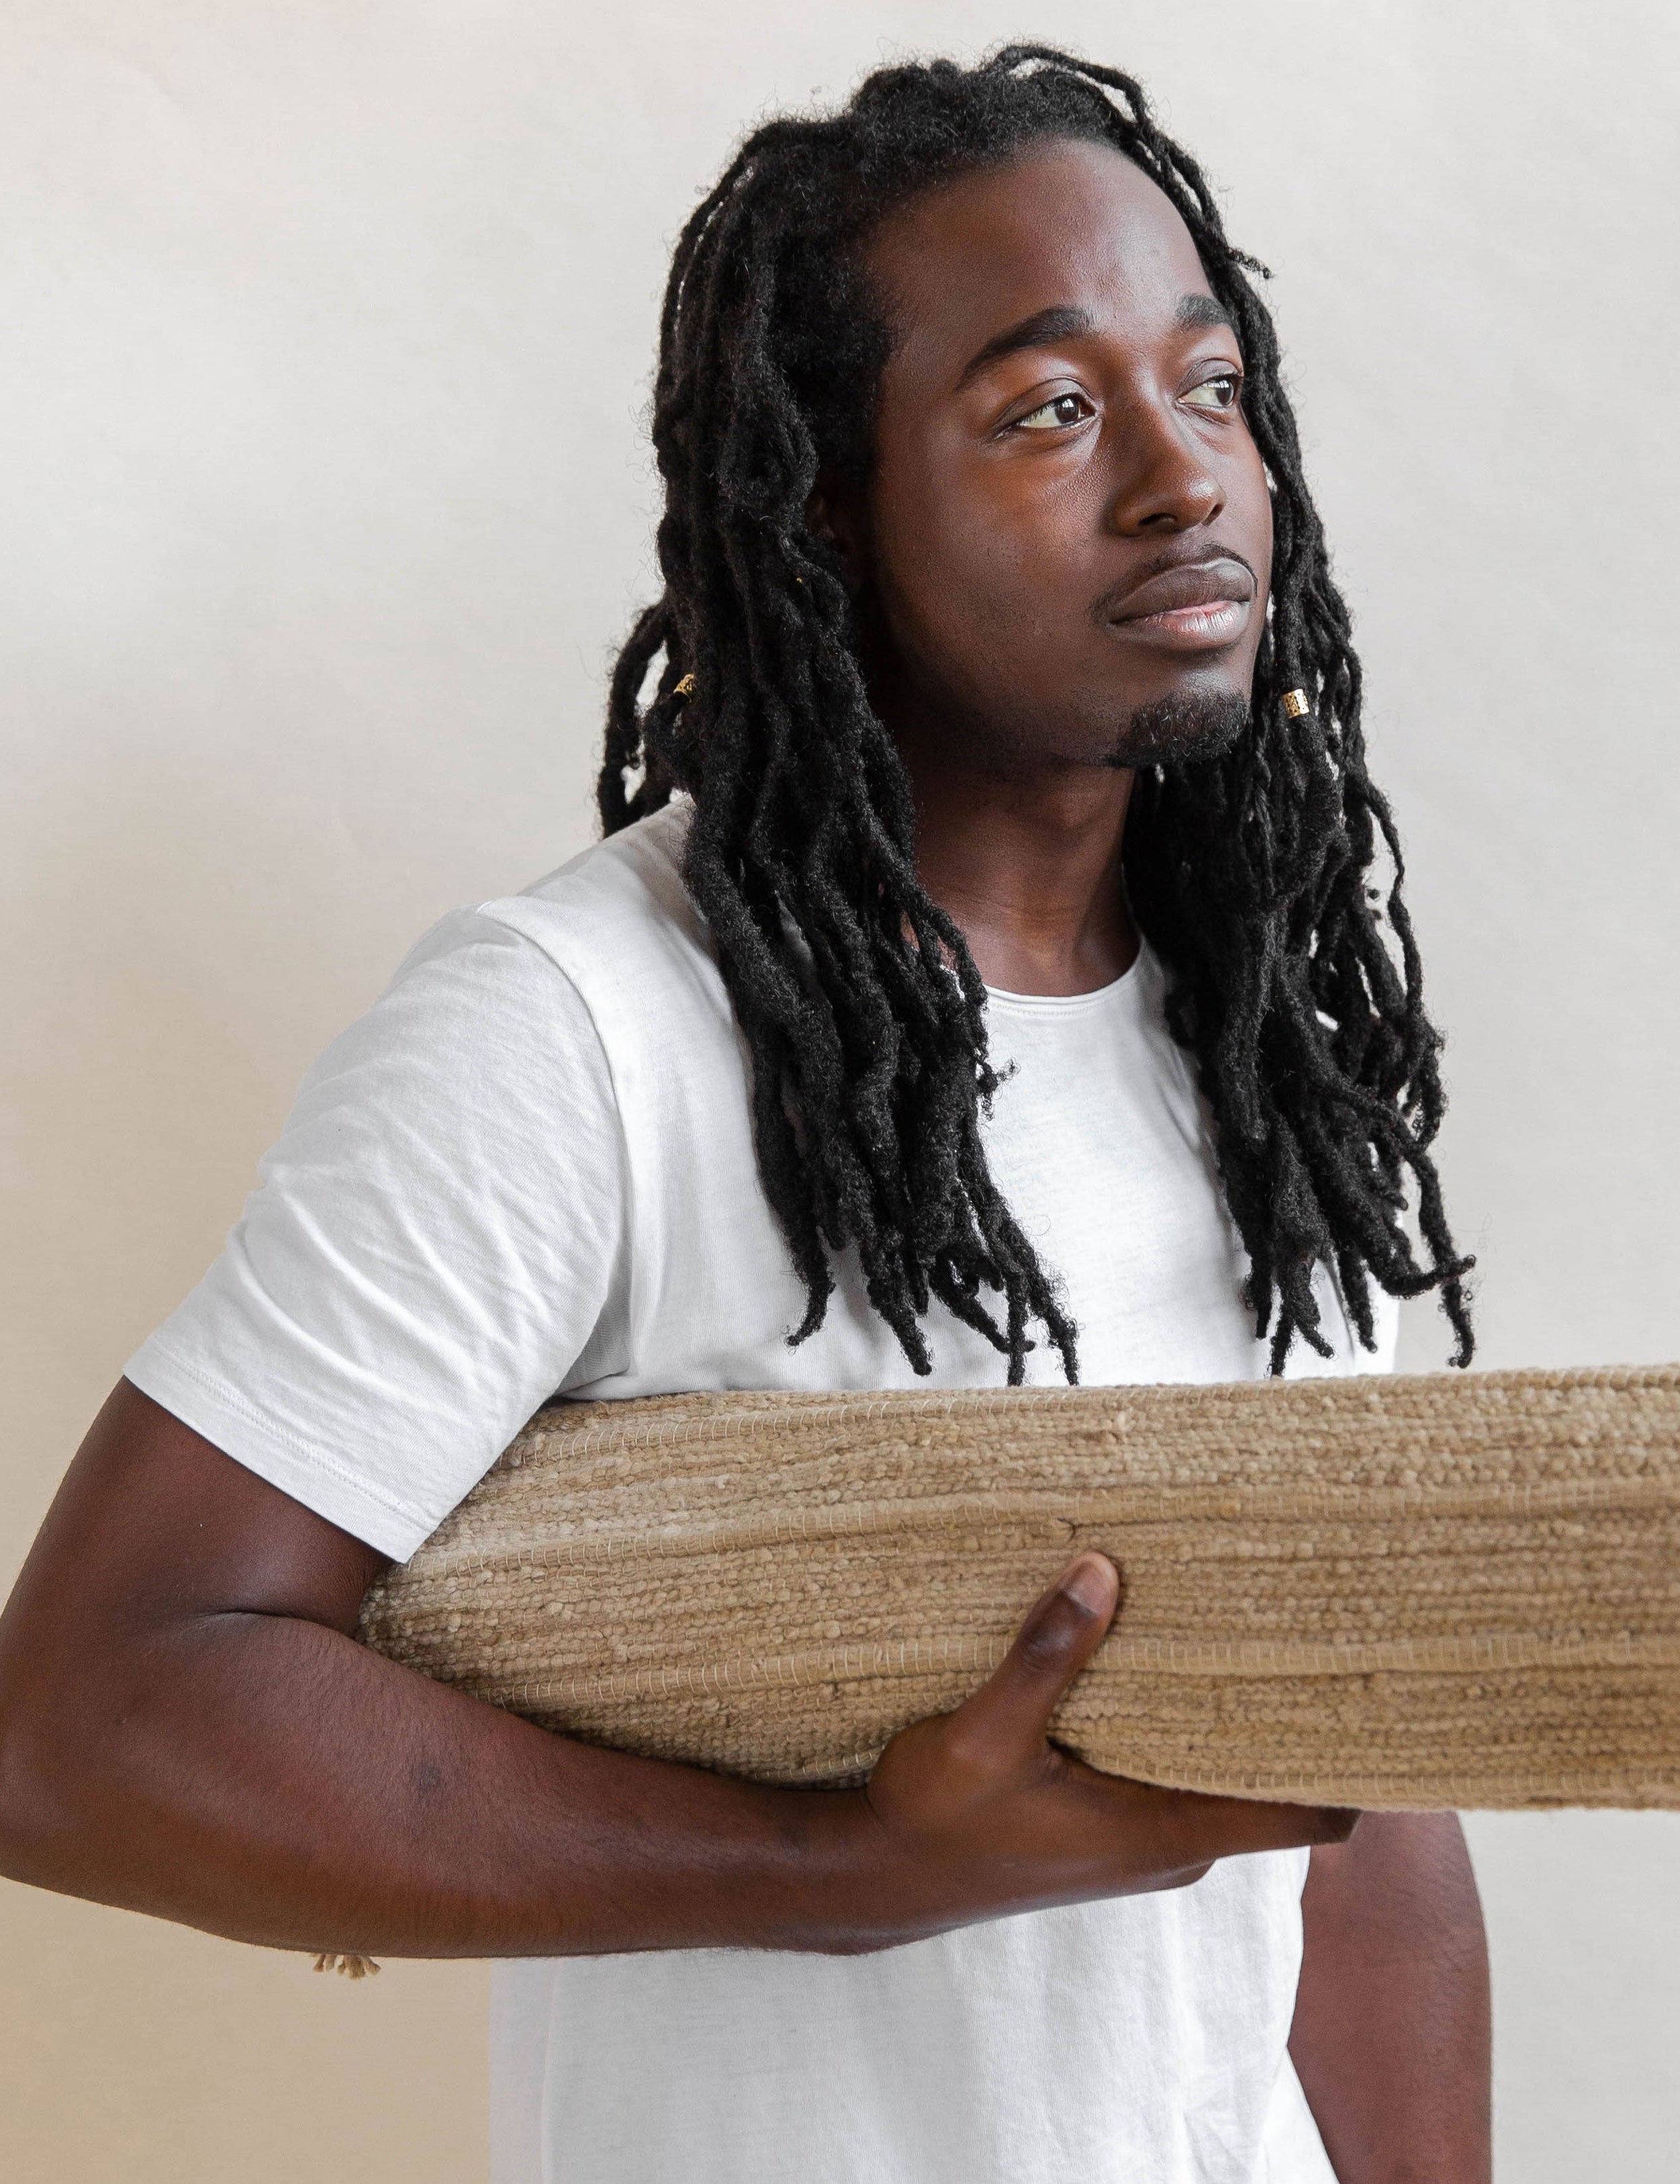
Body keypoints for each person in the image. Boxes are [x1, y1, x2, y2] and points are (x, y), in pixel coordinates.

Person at [0, 45, 1490, 2184]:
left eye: (1213, 384)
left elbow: (1365, 1820)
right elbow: (88, 1720)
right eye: (1048, 410)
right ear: (819, 506)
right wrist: (840, 1862)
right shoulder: (582, 1030)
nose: (1188, 479)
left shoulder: (1269, 1060)